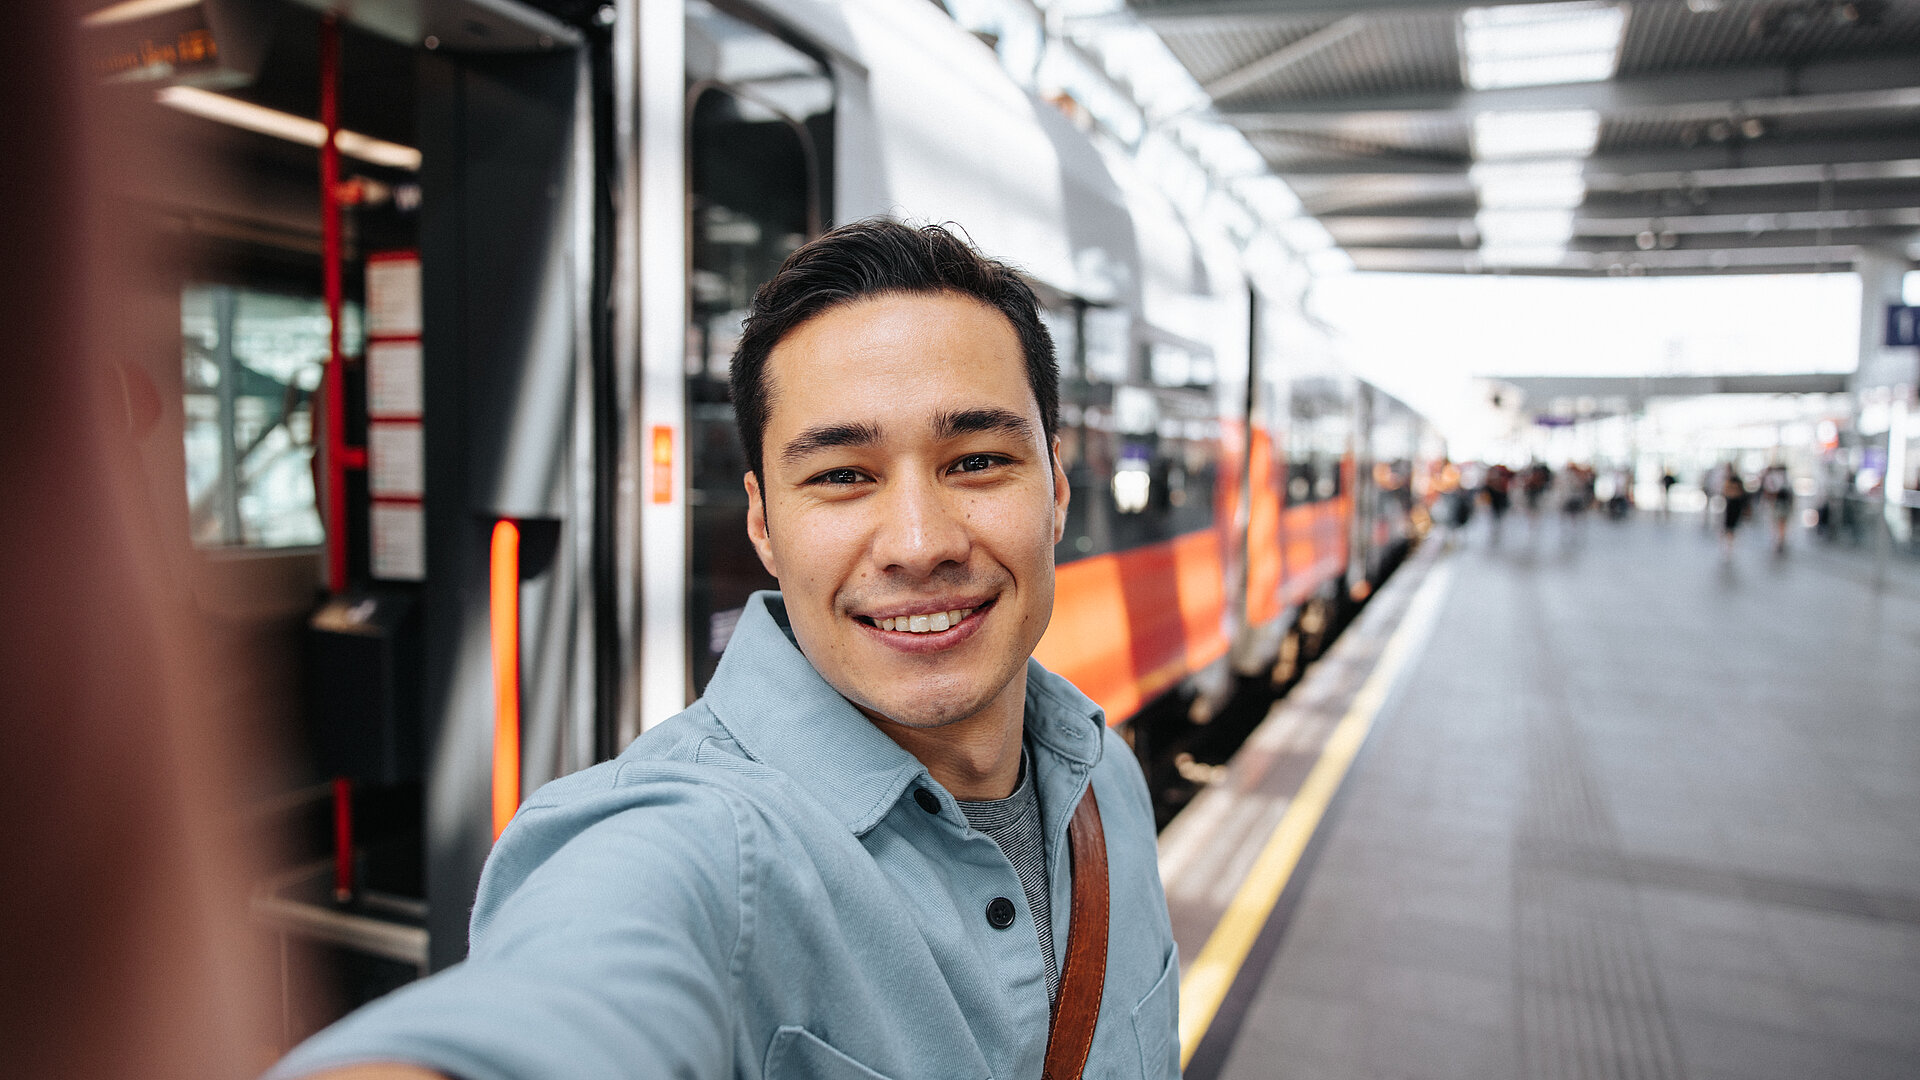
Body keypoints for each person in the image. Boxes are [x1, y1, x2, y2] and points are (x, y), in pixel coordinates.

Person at [269, 220, 1181, 1080]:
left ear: (1056, 488)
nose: (918, 541)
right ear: (763, 526)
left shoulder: (1111, 786)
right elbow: (566, 995)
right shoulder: (707, 849)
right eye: (841, 477)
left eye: (977, 461)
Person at [1760, 461, 1793, 553]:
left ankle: (1777, 540)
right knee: (1782, 523)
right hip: (1785, 503)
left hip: (1775, 504)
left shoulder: (1772, 477)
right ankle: (1781, 539)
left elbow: (1769, 491)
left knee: (1775, 523)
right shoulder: (1787, 477)